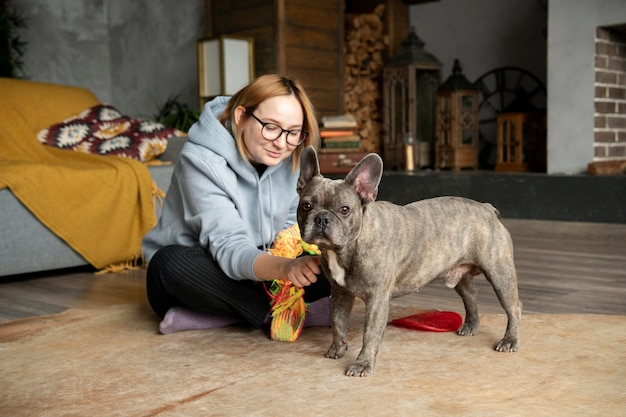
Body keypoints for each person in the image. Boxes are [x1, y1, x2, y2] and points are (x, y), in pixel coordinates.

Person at [143, 74, 332, 335]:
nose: (281, 142)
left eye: (293, 132)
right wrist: (285, 269)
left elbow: (292, 233)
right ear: (241, 116)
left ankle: (225, 316)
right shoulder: (199, 162)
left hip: (267, 270)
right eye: (271, 127)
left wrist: (300, 263)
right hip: (208, 269)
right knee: (168, 265)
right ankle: (289, 315)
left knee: (337, 260)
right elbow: (229, 247)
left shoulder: (290, 154)